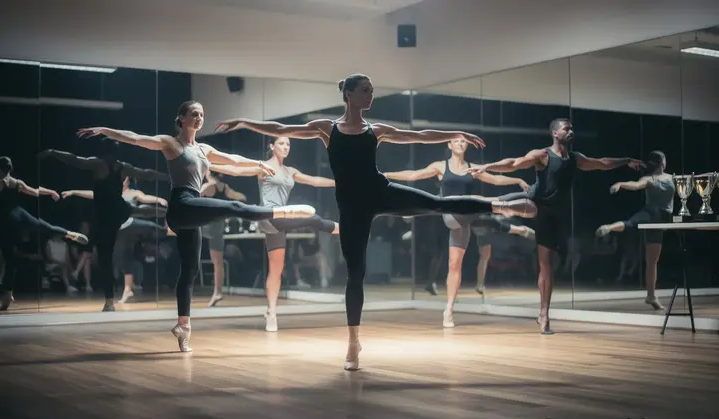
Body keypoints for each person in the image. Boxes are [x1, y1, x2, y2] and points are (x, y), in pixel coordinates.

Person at [213, 73, 536, 370]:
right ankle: (353, 342)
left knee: (437, 203)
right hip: (352, 207)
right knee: (356, 274)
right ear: (349, 95)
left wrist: (454, 133)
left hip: (381, 192)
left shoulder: (375, 130)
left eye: (372, 90)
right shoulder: (327, 128)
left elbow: (419, 136)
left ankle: (502, 206)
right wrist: (244, 121)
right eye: (365, 90)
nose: (371, 95)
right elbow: (280, 129)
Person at [76, 100, 316, 352]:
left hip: (192, 209)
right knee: (232, 207)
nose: (199, 118)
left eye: (201, 114)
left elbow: (233, 160)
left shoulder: (204, 149)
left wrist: (257, 164)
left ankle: (183, 327)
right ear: (182, 118)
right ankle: (281, 212)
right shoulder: (171, 143)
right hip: (181, 205)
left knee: (190, 270)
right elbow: (136, 138)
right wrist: (106, 130)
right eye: (194, 114)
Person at [466, 118, 644, 335]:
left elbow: (602, 163)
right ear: (555, 134)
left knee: (547, 266)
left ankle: (544, 314)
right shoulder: (542, 155)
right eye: (566, 128)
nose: (571, 131)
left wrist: (626, 160)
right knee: (489, 205)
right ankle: (464, 207)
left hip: (550, 216)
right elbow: (513, 163)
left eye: (572, 129)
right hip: (531, 200)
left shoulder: (575, 159)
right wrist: (487, 166)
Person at [384, 138, 536, 328]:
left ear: (467, 146)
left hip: (468, 217)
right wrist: (386, 174)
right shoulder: (441, 166)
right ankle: (505, 211)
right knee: (478, 204)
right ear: (449, 145)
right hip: (452, 214)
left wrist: (518, 180)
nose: (460, 143)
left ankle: (448, 310)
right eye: (456, 141)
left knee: (455, 264)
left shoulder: (472, 168)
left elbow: (496, 179)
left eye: (464, 141)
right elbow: (414, 175)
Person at [210, 136, 339, 332]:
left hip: (282, 219)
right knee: (311, 217)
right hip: (268, 215)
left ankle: (271, 312)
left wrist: (339, 182)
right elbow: (237, 170)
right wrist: (208, 164)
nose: (286, 147)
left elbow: (314, 181)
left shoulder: (290, 171)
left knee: (276, 269)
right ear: (272, 146)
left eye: (288, 144)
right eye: (281, 143)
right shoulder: (264, 167)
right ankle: (339, 228)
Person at [40, 142, 170, 311]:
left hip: (104, 214)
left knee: (105, 259)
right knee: (137, 211)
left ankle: (109, 302)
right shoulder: (123, 167)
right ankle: (166, 212)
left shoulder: (98, 164)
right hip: (119, 208)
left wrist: (52, 152)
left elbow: (74, 160)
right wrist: (168, 176)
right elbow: (147, 174)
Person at [0, 157, 88, 310]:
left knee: (10, 259)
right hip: (21, 214)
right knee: (44, 226)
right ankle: (69, 233)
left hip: (8, 220)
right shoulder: (18, 183)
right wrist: (51, 192)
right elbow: (36, 192)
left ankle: (8, 294)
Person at [595, 150, 673, 311]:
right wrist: (621, 184)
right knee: (631, 224)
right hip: (653, 215)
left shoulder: (671, 178)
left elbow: (694, 179)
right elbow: (636, 185)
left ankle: (651, 296)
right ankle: (609, 227)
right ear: (662, 163)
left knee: (652, 262)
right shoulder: (650, 179)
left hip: (659, 220)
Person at [200, 172, 248, 306]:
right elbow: (239, 196)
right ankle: (217, 292)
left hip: (207, 226)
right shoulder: (224, 187)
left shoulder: (208, 186)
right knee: (218, 262)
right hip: (218, 226)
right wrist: (242, 199)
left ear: (208, 173)